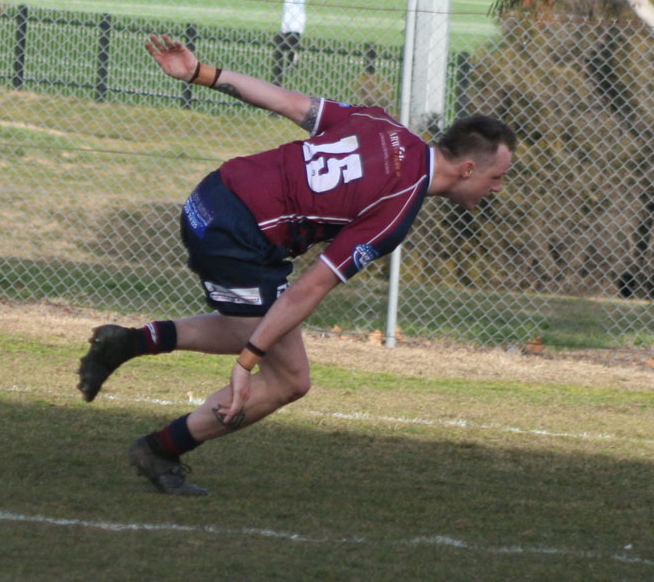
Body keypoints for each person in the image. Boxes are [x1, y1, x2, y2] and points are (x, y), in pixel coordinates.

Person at [76, 34, 516, 496]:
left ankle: (128, 343)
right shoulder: (398, 206)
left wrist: (200, 73)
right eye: (496, 177)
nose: (497, 188)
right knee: (288, 378)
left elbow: (284, 101)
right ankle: (159, 449)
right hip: (238, 235)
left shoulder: (379, 122)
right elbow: (311, 287)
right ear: (468, 169)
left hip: (213, 193)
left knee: (257, 326)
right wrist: (247, 363)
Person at [272, 0, 305, 87]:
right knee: (293, 45)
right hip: (297, 26)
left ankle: (289, 62)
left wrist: (284, 26)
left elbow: (287, 13)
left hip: (290, 25)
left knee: (287, 44)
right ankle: (292, 62)